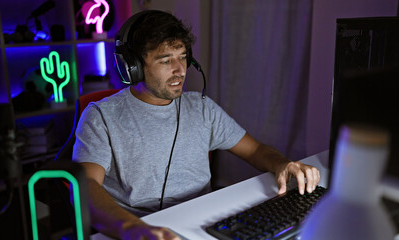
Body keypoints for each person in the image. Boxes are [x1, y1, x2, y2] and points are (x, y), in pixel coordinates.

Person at [72, 10, 321, 240]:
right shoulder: (101, 116)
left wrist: (282, 164)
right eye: (165, 60)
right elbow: (84, 187)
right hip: (142, 230)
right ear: (132, 67)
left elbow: (255, 150)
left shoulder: (201, 107)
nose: (180, 70)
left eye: (183, 57)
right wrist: (130, 228)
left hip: (203, 225)